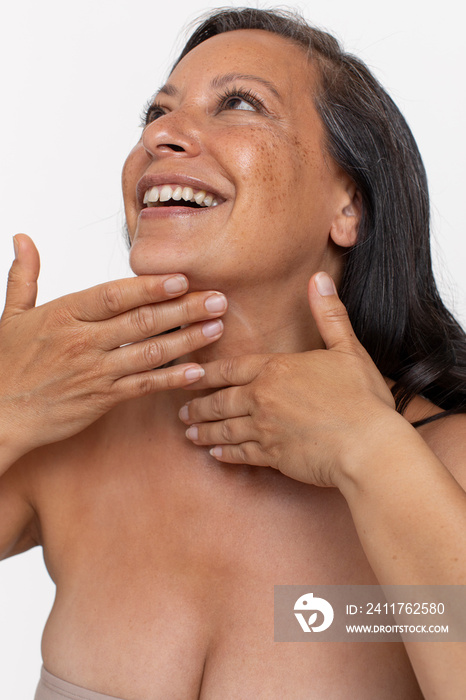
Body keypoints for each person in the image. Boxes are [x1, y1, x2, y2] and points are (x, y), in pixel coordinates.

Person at [1, 6, 465, 699]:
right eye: (156, 113)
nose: (161, 134)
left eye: (240, 104)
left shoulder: (446, 462)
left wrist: (372, 453)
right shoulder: (75, 437)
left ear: (350, 207)